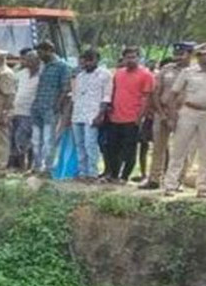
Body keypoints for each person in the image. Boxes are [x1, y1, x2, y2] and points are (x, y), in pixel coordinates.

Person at [163, 41, 206, 198]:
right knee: (179, 150)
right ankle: (170, 185)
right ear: (199, 56)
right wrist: (172, 116)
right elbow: (173, 95)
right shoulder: (188, 72)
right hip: (189, 112)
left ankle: (203, 187)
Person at [142, 42, 196, 189]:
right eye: (176, 54)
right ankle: (154, 179)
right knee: (158, 147)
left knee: (182, 148)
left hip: (184, 114)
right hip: (163, 113)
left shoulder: (195, 72)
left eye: (181, 54)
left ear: (190, 54)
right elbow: (156, 91)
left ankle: (178, 180)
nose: (177, 57)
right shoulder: (166, 69)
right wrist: (161, 113)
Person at [106, 47, 156, 183]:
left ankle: (124, 176)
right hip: (115, 117)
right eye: (128, 57)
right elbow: (114, 92)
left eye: (133, 57)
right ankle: (114, 175)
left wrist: (140, 117)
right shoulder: (118, 73)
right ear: (123, 59)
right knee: (113, 148)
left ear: (139, 58)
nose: (130, 60)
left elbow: (147, 98)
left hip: (132, 118)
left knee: (130, 149)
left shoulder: (146, 75)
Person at [30, 41, 73, 174]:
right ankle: (37, 166)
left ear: (49, 50)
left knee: (48, 139)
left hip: (50, 107)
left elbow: (65, 88)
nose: (39, 56)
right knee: (36, 139)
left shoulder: (62, 66)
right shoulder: (42, 66)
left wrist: (57, 105)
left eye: (41, 52)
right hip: (38, 106)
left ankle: (48, 167)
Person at [69, 49, 112, 182]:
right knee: (79, 144)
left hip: (93, 115)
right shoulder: (80, 76)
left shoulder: (104, 75)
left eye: (90, 60)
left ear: (97, 60)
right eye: (85, 60)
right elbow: (75, 96)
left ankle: (92, 173)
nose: (87, 63)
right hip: (78, 114)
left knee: (90, 144)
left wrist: (100, 115)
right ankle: (82, 172)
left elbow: (106, 96)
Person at [9, 49, 41, 171]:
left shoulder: (41, 75)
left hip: (31, 112)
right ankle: (21, 166)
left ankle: (30, 165)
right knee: (17, 139)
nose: (28, 62)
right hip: (17, 110)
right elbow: (13, 89)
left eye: (31, 60)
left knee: (29, 140)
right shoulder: (21, 73)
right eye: (27, 60)